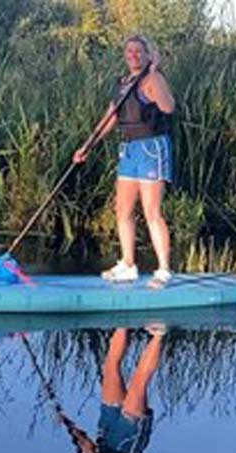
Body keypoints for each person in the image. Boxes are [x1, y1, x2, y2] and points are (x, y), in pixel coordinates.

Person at [73, 35, 176, 289]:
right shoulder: (121, 84)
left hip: (152, 147)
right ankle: (128, 264)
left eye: (139, 51)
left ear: (147, 55)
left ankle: (163, 270)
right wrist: (87, 146)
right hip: (128, 149)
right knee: (122, 209)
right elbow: (110, 118)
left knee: (152, 211)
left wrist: (154, 74)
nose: (133, 55)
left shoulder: (153, 78)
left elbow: (169, 107)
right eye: (129, 51)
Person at [69, 326, 165, 453]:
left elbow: (88, 452)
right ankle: (159, 334)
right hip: (126, 444)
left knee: (110, 367)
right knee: (138, 382)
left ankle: (123, 323)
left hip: (106, 432)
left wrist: (74, 432)